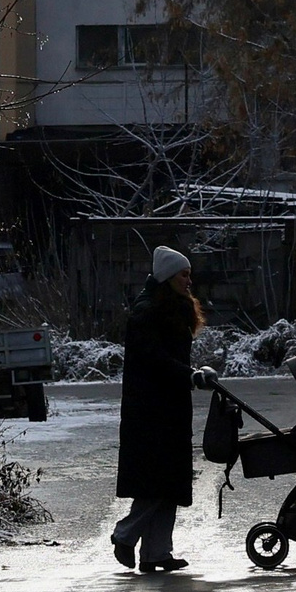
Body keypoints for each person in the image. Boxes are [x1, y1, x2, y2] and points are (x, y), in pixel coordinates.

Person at [112, 245, 203, 573]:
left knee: (170, 482)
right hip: (151, 410)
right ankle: (125, 533)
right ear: (167, 276)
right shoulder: (148, 311)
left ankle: (157, 553)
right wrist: (188, 375)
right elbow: (155, 359)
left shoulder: (170, 307)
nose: (188, 280)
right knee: (161, 480)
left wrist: (188, 375)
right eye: (183, 274)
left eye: (189, 274)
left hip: (168, 407)